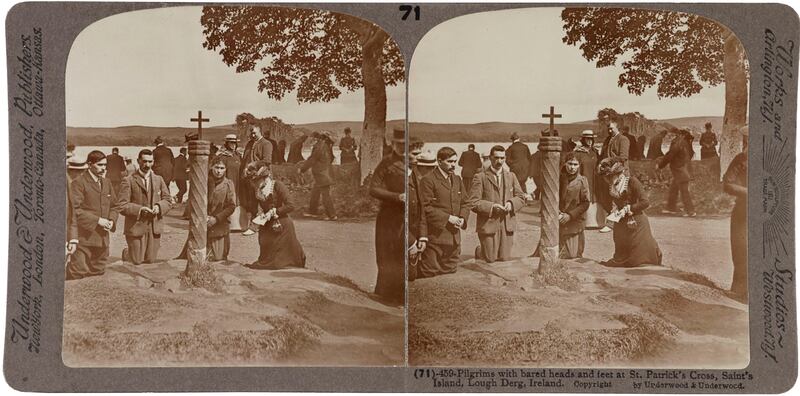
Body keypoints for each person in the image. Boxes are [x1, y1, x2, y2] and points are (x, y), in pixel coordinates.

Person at [597, 157, 662, 267]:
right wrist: (615, 211)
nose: (607, 180)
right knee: (619, 243)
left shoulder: (632, 181)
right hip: (621, 219)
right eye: (605, 177)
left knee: (638, 259)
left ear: (620, 173)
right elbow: (610, 202)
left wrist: (629, 208)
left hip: (636, 220)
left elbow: (645, 202)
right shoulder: (610, 185)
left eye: (610, 177)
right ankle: (620, 259)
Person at [467, 145, 525, 263]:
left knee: (504, 258)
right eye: (496, 158)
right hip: (488, 223)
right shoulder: (480, 177)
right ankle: (480, 250)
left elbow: (521, 197)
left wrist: (511, 204)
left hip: (506, 224)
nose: (500, 161)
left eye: (502, 158)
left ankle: (493, 250)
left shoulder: (511, 176)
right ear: (490, 158)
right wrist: (492, 207)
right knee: (490, 259)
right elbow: (473, 202)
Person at [243, 161, 306, 269]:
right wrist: (257, 217)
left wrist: (273, 212)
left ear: (265, 178)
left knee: (280, 261)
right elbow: (253, 207)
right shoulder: (256, 189)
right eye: (253, 181)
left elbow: (291, 205)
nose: (254, 184)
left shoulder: (277, 185)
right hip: (266, 222)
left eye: (257, 181)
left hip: (281, 222)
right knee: (264, 244)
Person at [418, 147, 469, 278]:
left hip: (454, 239)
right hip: (435, 238)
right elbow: (425, 208)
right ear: (439, 161)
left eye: (455, 162)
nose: (453, 165)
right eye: (450, 161)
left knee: (450, 270)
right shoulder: (428, 180)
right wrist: (448, 218)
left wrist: (463, 218)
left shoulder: (457, 179)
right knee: (429, 272)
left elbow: (465, 203)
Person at [67, 150, 118, 280]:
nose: (103, 168)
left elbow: (114, 206)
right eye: (100, 165)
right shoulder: (79, 182)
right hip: (84, 239)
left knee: (98, 271)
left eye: (105, 165)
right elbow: (75, 210)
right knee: (78, 273)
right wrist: (98, 220)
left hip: (102, 239)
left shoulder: (107, 182)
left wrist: (112, 220)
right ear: (90, 164)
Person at [116, 149, 173, 264]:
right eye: (144, 161)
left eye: (150, 162)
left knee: (151, 260)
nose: (147, 165)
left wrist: (159, 206)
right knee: (137, 261)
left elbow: (168, 200)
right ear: (138, 161)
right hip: (136, 226)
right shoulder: (128, 180)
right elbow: (122, 205)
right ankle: (127, 253)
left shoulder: (159, 179)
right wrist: (140, 209)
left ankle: (139, 252)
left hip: (154, 226)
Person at [368, 128, 406, 304]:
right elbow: (373, 188)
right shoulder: (387, 163)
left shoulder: (414, 163)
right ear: (393, 144)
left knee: (403, 253)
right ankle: (385, 293)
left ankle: (402, 295)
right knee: (387, 253)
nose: (403, 148)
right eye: (400, 144)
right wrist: (397, 197)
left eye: (407, 145)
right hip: (389, 215)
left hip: (408, 216)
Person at [723, 125, 748, 300]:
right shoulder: (742, 159)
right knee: (741, 250)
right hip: (744, 210)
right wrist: (750, 192)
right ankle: (739, 290)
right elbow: (728, 183)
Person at [408, 147, 436, 281]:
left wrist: (423, 237)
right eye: (428, 168)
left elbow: (422, 213)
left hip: (417, 233)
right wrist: (410, 242)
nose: (431, 172)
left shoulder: (421, 181)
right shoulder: (407, 181)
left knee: (415, 274)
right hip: (403, 236)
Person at [240, 125, 273, 235]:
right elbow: (245, 158)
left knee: (263, 201)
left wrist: (253, 164)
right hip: (250, 177)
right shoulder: (250, 144)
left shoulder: (266, 144)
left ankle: (260, 226)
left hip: (261, 176)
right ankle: (254, 226)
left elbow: (267, 160)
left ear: (261, 132)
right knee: (252, 202)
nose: (253, 135)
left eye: (255, 133)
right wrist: (245, 169)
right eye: (251, 133)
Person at [658, 128, 696, 217]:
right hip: (682, 169)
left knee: (684, 191)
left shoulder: (676, 142)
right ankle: (671, 208)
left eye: (670, 134)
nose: (669, 136)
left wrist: (660, 166)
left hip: (680, 170)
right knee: (673, 189)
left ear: (675, 134)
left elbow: (670, 155)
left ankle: (690, 211)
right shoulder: (683, 142)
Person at [559, 153, 590, 258]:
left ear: (579, 165)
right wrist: (558, 212)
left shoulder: (582, 181)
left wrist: (570, 215)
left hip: (574, 220)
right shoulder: (558, 178)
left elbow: (585, 203)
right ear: (565, 164)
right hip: (558, 218)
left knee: (572, 255)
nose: (572, 167)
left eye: (575, 164)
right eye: (570, 164)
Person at [300, 131, 337, 220]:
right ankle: (312, 211)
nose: (311, 140)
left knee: (325, 195)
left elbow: (312, 159)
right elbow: (331, 159)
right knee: (315, 192)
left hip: (322, 174)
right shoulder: (326, 146)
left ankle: (331, 215)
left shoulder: (319, 146)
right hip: (323, 173)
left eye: (312, 138)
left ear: (316, 138)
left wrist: (302, 169)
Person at [574, 130, 601, 228]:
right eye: (587, 139)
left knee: (594, 197)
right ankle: (583, 222)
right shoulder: (578, 153)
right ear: (583, 140)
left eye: (591, 139)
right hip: (584, 179)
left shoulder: (595, 152)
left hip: (595, 180)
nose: (589, 141)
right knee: (584, 197)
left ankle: (594, 222)